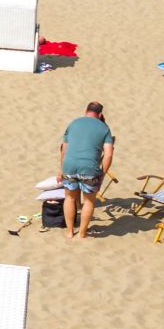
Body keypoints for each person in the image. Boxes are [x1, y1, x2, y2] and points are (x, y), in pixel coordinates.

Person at [58, 102, 115, 240]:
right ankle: (82, 233)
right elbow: (108, 154)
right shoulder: (104, 129)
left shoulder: (73, 123)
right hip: (89, 168)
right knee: (89, 202)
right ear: (100, 114)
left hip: (69, 165)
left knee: (69, 198)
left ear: (85, 110)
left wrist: (61, 169)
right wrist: (102, 175)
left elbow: (64, 149)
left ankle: (70, 232)